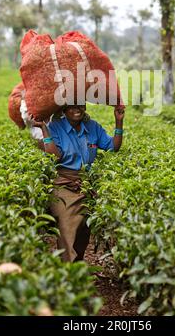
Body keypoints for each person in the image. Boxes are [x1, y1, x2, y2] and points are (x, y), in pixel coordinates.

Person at [29, 104, 125, 262]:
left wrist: (119, 122)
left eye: (80, 105)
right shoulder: (55, 127)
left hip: (85, 184)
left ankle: (76, 265)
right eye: (72, 107)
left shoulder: (92, 126)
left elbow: (113, 147)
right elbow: (55, 157)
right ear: (64, 110)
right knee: (67, 226)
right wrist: (44, 129)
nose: (77, 109)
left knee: (84, 229)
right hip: (63, 185)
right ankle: (68, 270)